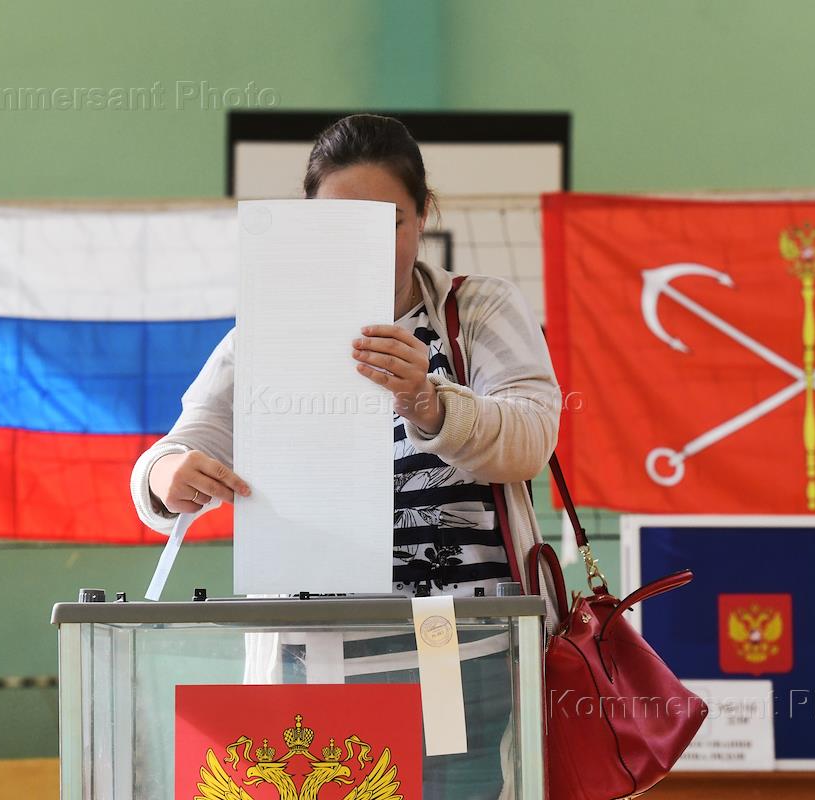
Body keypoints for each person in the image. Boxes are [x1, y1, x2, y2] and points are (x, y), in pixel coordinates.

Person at [130, 113, 561, 798]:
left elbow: (532, 437)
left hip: (452, 644)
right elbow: (182, 446)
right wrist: (165, 475)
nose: (365, 244)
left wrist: (429, 401)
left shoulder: (474, 310)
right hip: (313, 654)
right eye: (339, 223)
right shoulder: (267, 329)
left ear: (424, 216)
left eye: (388, 222)